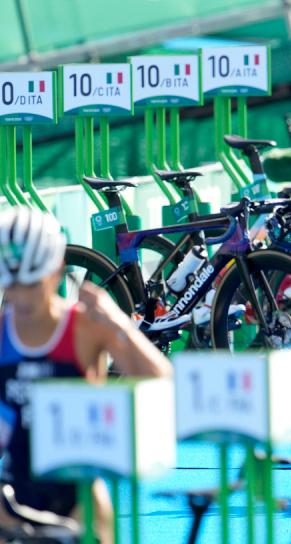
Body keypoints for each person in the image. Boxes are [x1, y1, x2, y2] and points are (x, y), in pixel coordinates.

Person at [0, 207, 172, 543]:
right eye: (12, 285)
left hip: (79, 496)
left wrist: (118, 324)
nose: (21, 297)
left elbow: (161, 381)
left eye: (32, 283)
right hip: (13, 492)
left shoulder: (86, 327)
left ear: (56, 270)